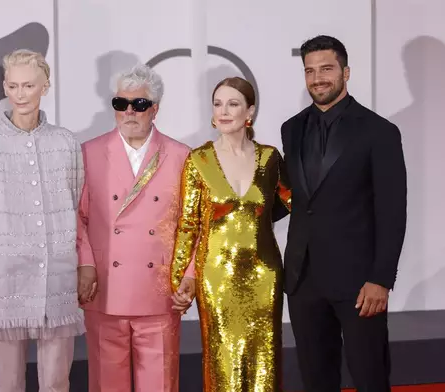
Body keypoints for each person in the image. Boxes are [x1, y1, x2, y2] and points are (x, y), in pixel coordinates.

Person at [0, 49, 84, 392]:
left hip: (57, 280)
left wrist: (84, 266)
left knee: (57, 382)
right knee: (8, 384)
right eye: (13, 86)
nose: (21, 94)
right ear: (5, 87)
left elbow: (79, 208)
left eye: (29, 85)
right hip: (4, 280)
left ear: (46, 86)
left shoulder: (65, 143)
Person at [281, 35, 407, 392]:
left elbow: (393, 210)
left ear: (345, 72)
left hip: (359, 283)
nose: (317, 78)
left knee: (369, 377)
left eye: (326, 69)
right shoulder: (291, 129)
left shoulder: (379, 131)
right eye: (310, 70)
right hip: (304, 279)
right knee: (316, 379)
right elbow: (294, 197)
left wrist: (381, 278)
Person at [170, 77, 292, 391]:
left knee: (264, 362)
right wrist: (180, 277)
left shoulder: (270, 158)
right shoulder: (199, 160)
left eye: (233, 103)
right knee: (222, 362)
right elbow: (187, 225)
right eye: (218, 104)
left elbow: (296, 204)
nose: (224, 111)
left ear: (249, 111)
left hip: (265, 276)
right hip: (216, 278)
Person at [77, 63, 192, 392]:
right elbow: (77, 218)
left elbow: (193, 225)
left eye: (139, 105)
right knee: (106, 384)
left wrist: (190, 274)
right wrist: (85, 264)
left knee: (160, 384)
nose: (129, 112)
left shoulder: (181, 156)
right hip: (105, 288)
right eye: (120, 104)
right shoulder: (89, 152)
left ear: (155, 108)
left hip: (159, 290)